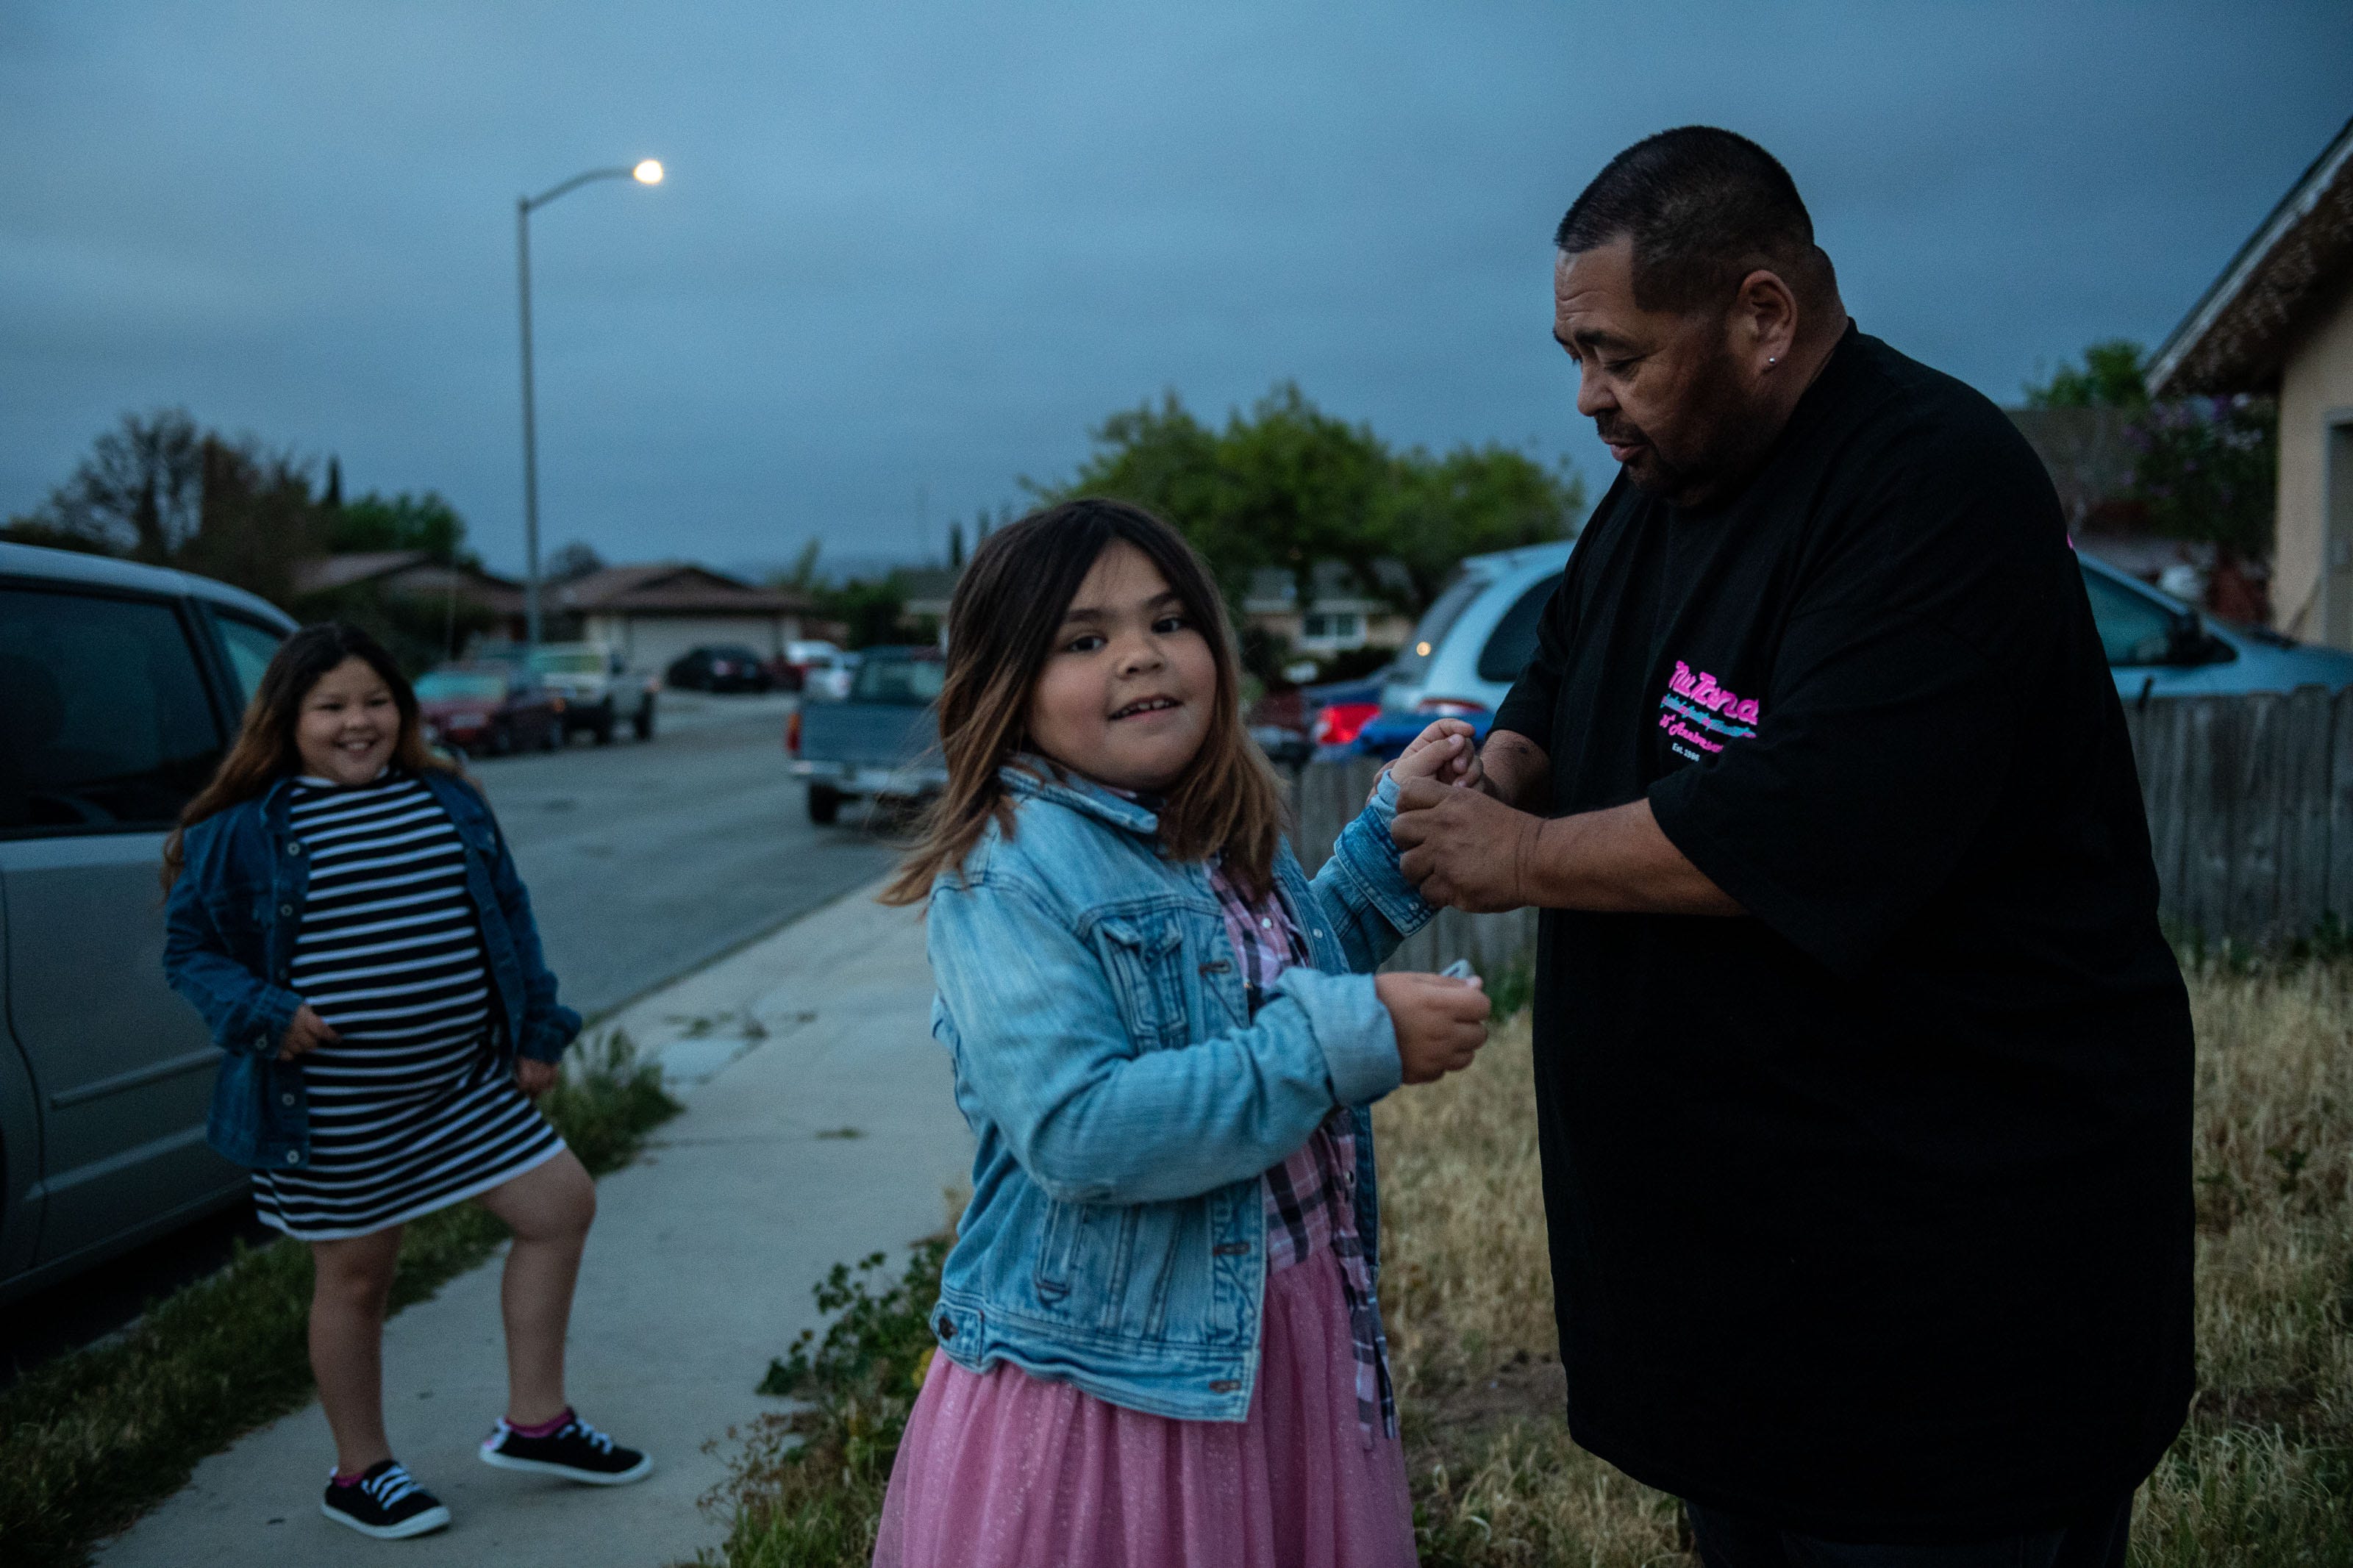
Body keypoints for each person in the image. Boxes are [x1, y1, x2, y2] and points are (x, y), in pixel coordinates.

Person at [1389, 128, 2192, 1567]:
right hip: (1757, 1329)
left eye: (1617, 355)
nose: (1587, 398)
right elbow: (1567, 672)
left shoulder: (1931, 485)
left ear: (1762, 315)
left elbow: (1803, 821)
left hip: (1944, 1336)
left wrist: (1512, 857)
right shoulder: (1663, 483)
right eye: (1571, 353)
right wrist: (1495, 759)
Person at [871, 498, 1491, 1568]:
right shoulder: (1009, 873)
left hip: (1273, 1335)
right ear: (1005, 687)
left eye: (1169, 622)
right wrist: (1344, 1041)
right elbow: (1081, 1129)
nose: (1140, 658)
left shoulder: (1209, 831)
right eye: (1085, 639)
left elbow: (1266, 982)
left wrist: (1386, 843)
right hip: (1116, 1400)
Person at [162, 623, 651, 1541]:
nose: (359, 723)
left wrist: (538, 1030)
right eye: (332, 707)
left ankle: (536, 1423)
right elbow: (190, 953)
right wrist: (264, 1012)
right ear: (287, 720)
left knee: (560, 1206)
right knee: (357, 1276)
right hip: (333, 1106)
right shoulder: (242, 830)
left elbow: (509, 914)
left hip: (461, 1088)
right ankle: (361, 1472)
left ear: (404, 709)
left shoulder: (446, 800)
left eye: (376, 702)